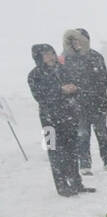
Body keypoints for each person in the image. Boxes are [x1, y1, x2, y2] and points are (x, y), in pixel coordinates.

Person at [27, 44, 87, 197]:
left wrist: (75, 88)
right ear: (38, 57)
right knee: (54, 152)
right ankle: (61, 186)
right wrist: (60, 90)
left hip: (69, 116)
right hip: (48, 119)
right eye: (45, 54)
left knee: (72, 151)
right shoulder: (34, 75)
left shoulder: (63, 69)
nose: (50, 56)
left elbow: (76, 85)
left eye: (51, 53)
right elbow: (40, 96)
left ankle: (76, 182)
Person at [62, 29, 107, 174]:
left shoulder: (95, 56)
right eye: (74, 41)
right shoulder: (66, 59)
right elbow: (63, 81)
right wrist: (71, 94)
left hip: (97, 102)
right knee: (82, 135)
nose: (77, 43)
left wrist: (90, 92)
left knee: (102, 134)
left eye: (79, 40)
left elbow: (103, 79)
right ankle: (85, 165)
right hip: (78, 105)